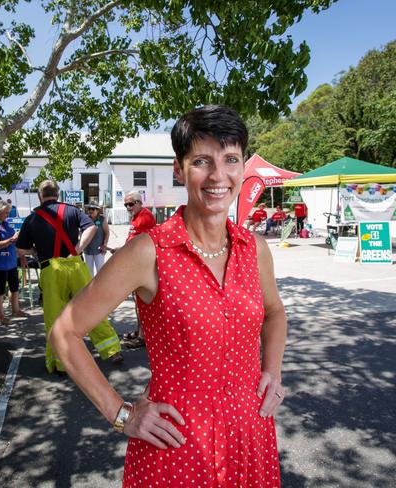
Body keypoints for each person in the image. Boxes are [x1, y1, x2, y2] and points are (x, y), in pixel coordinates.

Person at [49, 105, 287, 486]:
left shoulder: (254, 248)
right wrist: (122, 414)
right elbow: (65, 333)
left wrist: (272, 372)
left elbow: (274, 313)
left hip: (249, 432)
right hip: (177, 442)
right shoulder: (149, 252)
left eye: (230, 159)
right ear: (179, 168)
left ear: (243, 166)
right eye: (202, 161)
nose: (218, 176)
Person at [16, 180, 123, 374]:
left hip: (51, 269)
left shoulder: (32, 218)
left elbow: (21, 249)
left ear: (40, 196)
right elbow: (91, 228)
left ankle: (60, 363)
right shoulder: (73, 211)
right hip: (75, 265)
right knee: (91, 308)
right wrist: (79, 248)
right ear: (58, 193)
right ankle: (112, 349)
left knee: (55, 317)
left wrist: (35, 252)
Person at [121, 190, 156, 348]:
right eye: (126, 205)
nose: (128, 207)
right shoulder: (138, 217)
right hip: (138, 264)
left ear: (139, 203)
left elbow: (138, 242)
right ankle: (140, 331)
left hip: (143, 265)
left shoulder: (144, 216)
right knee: (138, 302)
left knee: (142, 302)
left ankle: (143, 336)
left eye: (130, 204)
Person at [0, 200, 27, 325]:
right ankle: (0, 316)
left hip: (11, 261)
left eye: (8, 212)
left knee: (14, 286)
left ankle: (16, 310)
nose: (7, 215)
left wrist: (22, 256)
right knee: (0, 289)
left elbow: (16, 243)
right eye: (6, 213)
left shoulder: (6, 225)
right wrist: (11, 239)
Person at [83, 200, 109, 277]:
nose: (90, 210)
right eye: (89, 209)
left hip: (99, 250)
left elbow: (107, 233)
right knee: (88, 271)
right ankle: (91, 288)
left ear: (97, 210)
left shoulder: (102, 219)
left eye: (93, 209)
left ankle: (100, 287)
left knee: (100, 271)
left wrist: (105, 245)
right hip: (87, 250)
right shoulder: (85, 219)